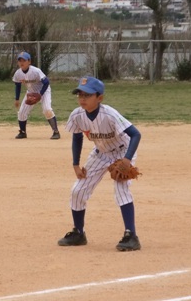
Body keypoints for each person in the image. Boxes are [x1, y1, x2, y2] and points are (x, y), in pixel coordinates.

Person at [58, 76, 142, 251]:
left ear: (100, 98)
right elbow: (77, 137)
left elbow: (136, 134)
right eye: (80, 94)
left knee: (121, 189)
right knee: (78, 190)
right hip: (100, 153)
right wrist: (75, 164)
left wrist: (126, 160)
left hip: (122, 152)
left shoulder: (109, 114)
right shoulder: (77, 115)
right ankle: (79, 233)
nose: (82, 98)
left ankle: (131, 235)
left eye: (87, 95)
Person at [12, 51, 60, 140]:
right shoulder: (18, 73)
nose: (21, 63)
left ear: (29, 62)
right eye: (20, 61)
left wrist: (40, 95)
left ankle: (56, 132)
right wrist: (17, 99)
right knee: (21, 113)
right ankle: (22, 132)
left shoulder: (35, 71)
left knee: (47, 109)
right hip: (30, 92)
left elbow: (46, 82)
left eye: (24, 60)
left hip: (43, 91)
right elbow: (18, 86)